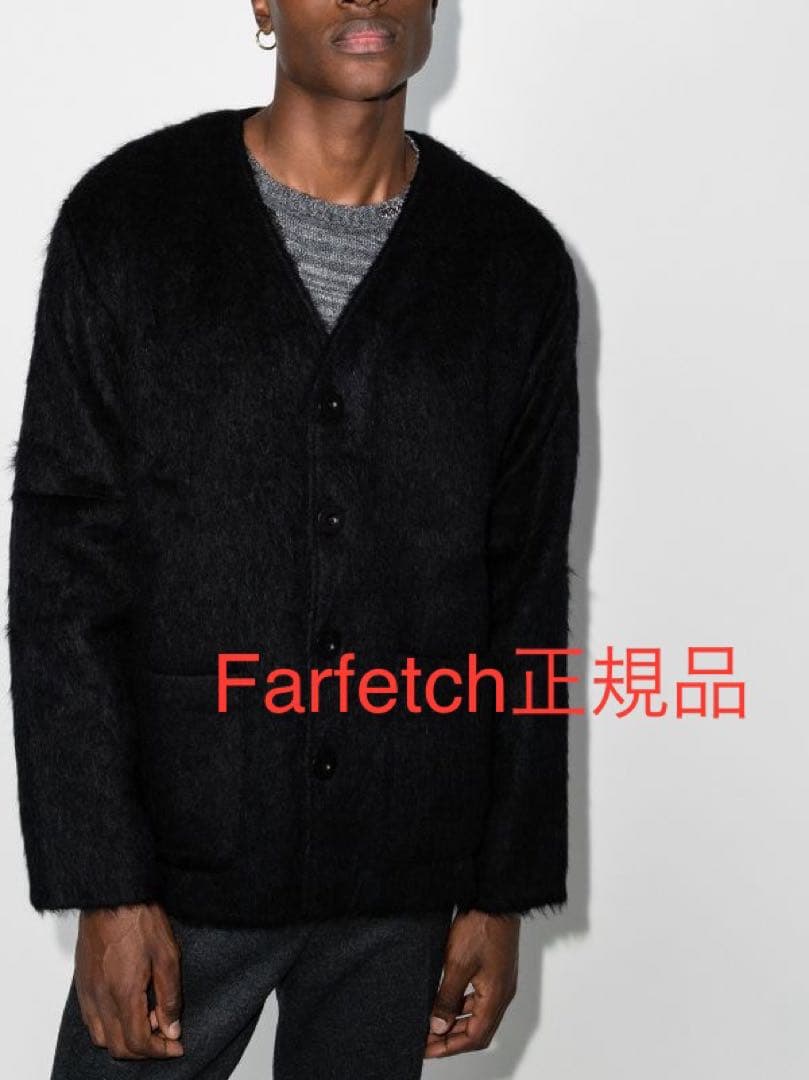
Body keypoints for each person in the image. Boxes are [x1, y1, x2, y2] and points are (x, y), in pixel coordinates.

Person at [7, 1, 580, 1077]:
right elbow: (63, 578)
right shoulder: (130, 222)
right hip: (178, 870)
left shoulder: (511, 264)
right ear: (263, 3)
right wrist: (106, 885)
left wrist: (500, 891)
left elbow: (523, 594)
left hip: (402, 874)